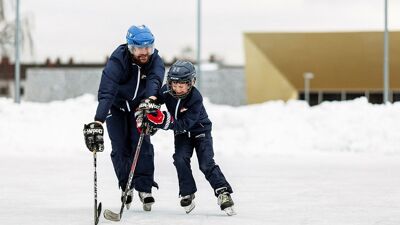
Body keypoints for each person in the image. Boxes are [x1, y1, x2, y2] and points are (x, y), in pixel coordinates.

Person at [83, 24, 165, 211]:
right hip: (117, 107)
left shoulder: (155, 60)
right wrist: (98, 120)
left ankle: (144, 188)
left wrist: (150, 100)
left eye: (148, 48)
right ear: (130, 47)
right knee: (120, 146)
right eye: (139, 48)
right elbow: (107, 90)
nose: (144, 52)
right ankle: (126, 185)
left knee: (141, 143)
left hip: (140, 107)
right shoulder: (118, 60)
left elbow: (155, 80)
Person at [141, 60, 236, 215]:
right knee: (179, 158)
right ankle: (187, 192)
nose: (177, 89)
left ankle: (223, 192)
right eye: (174, 85)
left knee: (206, 163)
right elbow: (155, 102)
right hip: (182, 134)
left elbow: (185, 123)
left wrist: (161, 121)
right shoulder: (166, 91)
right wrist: (149, 112)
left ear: (191, 82)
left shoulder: (195, 98)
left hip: (200, 131)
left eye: (181, 85)